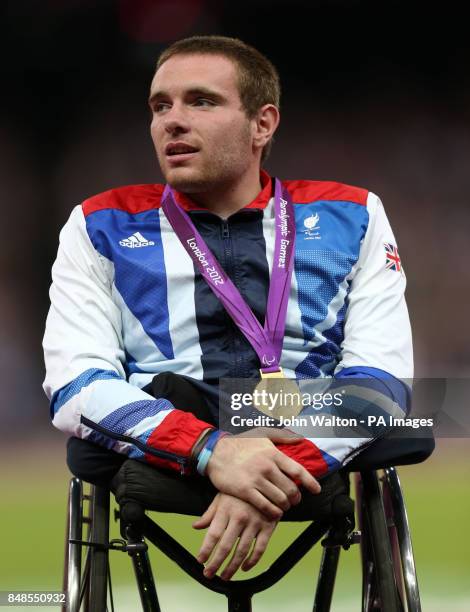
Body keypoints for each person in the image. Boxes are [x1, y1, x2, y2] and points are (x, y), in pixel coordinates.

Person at [43, 35, 412, 581]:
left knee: (416, 415)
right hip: (173, 423)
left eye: (202, 101)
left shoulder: (352, 213)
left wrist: (263, 476)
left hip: (307, 423)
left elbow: (381, 379)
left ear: (262, 124)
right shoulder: (99, 224)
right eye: (160, 106)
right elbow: (75, 384)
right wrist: (213, 452)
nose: (172, 120)